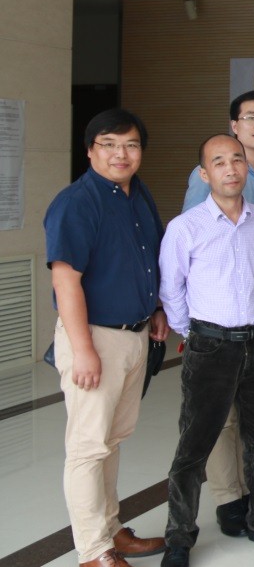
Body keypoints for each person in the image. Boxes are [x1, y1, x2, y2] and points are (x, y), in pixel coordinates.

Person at [159, 135, 254, 567]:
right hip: (209, 345)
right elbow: (171, 290)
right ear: (204, 174)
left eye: (237, 160)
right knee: (193, 447)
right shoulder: (185, 227)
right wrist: (196, 333)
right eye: (219, 162)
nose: (231, 169)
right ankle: (179, 538)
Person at [44, 109, 168, 567]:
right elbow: (66, 281)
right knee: (87, 447)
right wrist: (83, 350)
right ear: (90, 150)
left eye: (131, 145)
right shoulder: (76, 203)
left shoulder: (138, 194)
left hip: (133, 335)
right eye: (110, 144)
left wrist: (156, 309)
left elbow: (148, 256)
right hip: (95, 338)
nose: (121, 154)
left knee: (111, 440)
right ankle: (93, 551)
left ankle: (111, 530)